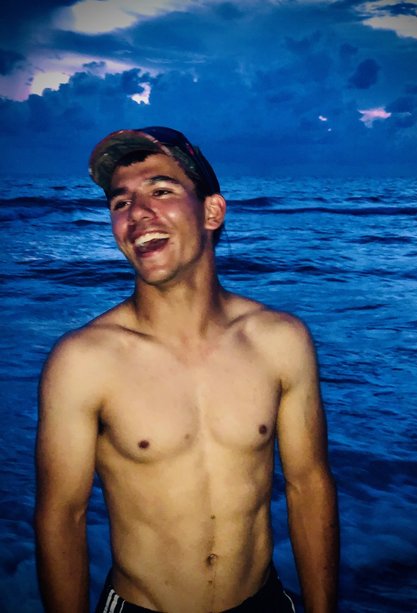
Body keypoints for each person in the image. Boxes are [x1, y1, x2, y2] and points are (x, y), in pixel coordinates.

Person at [35, 126, 339, 613]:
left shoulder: (280, 341)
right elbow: (61, 519)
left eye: (160, 191)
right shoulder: (84, 361)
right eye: (120, 202)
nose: (137, 214)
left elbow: (309, 487)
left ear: (212, 212)